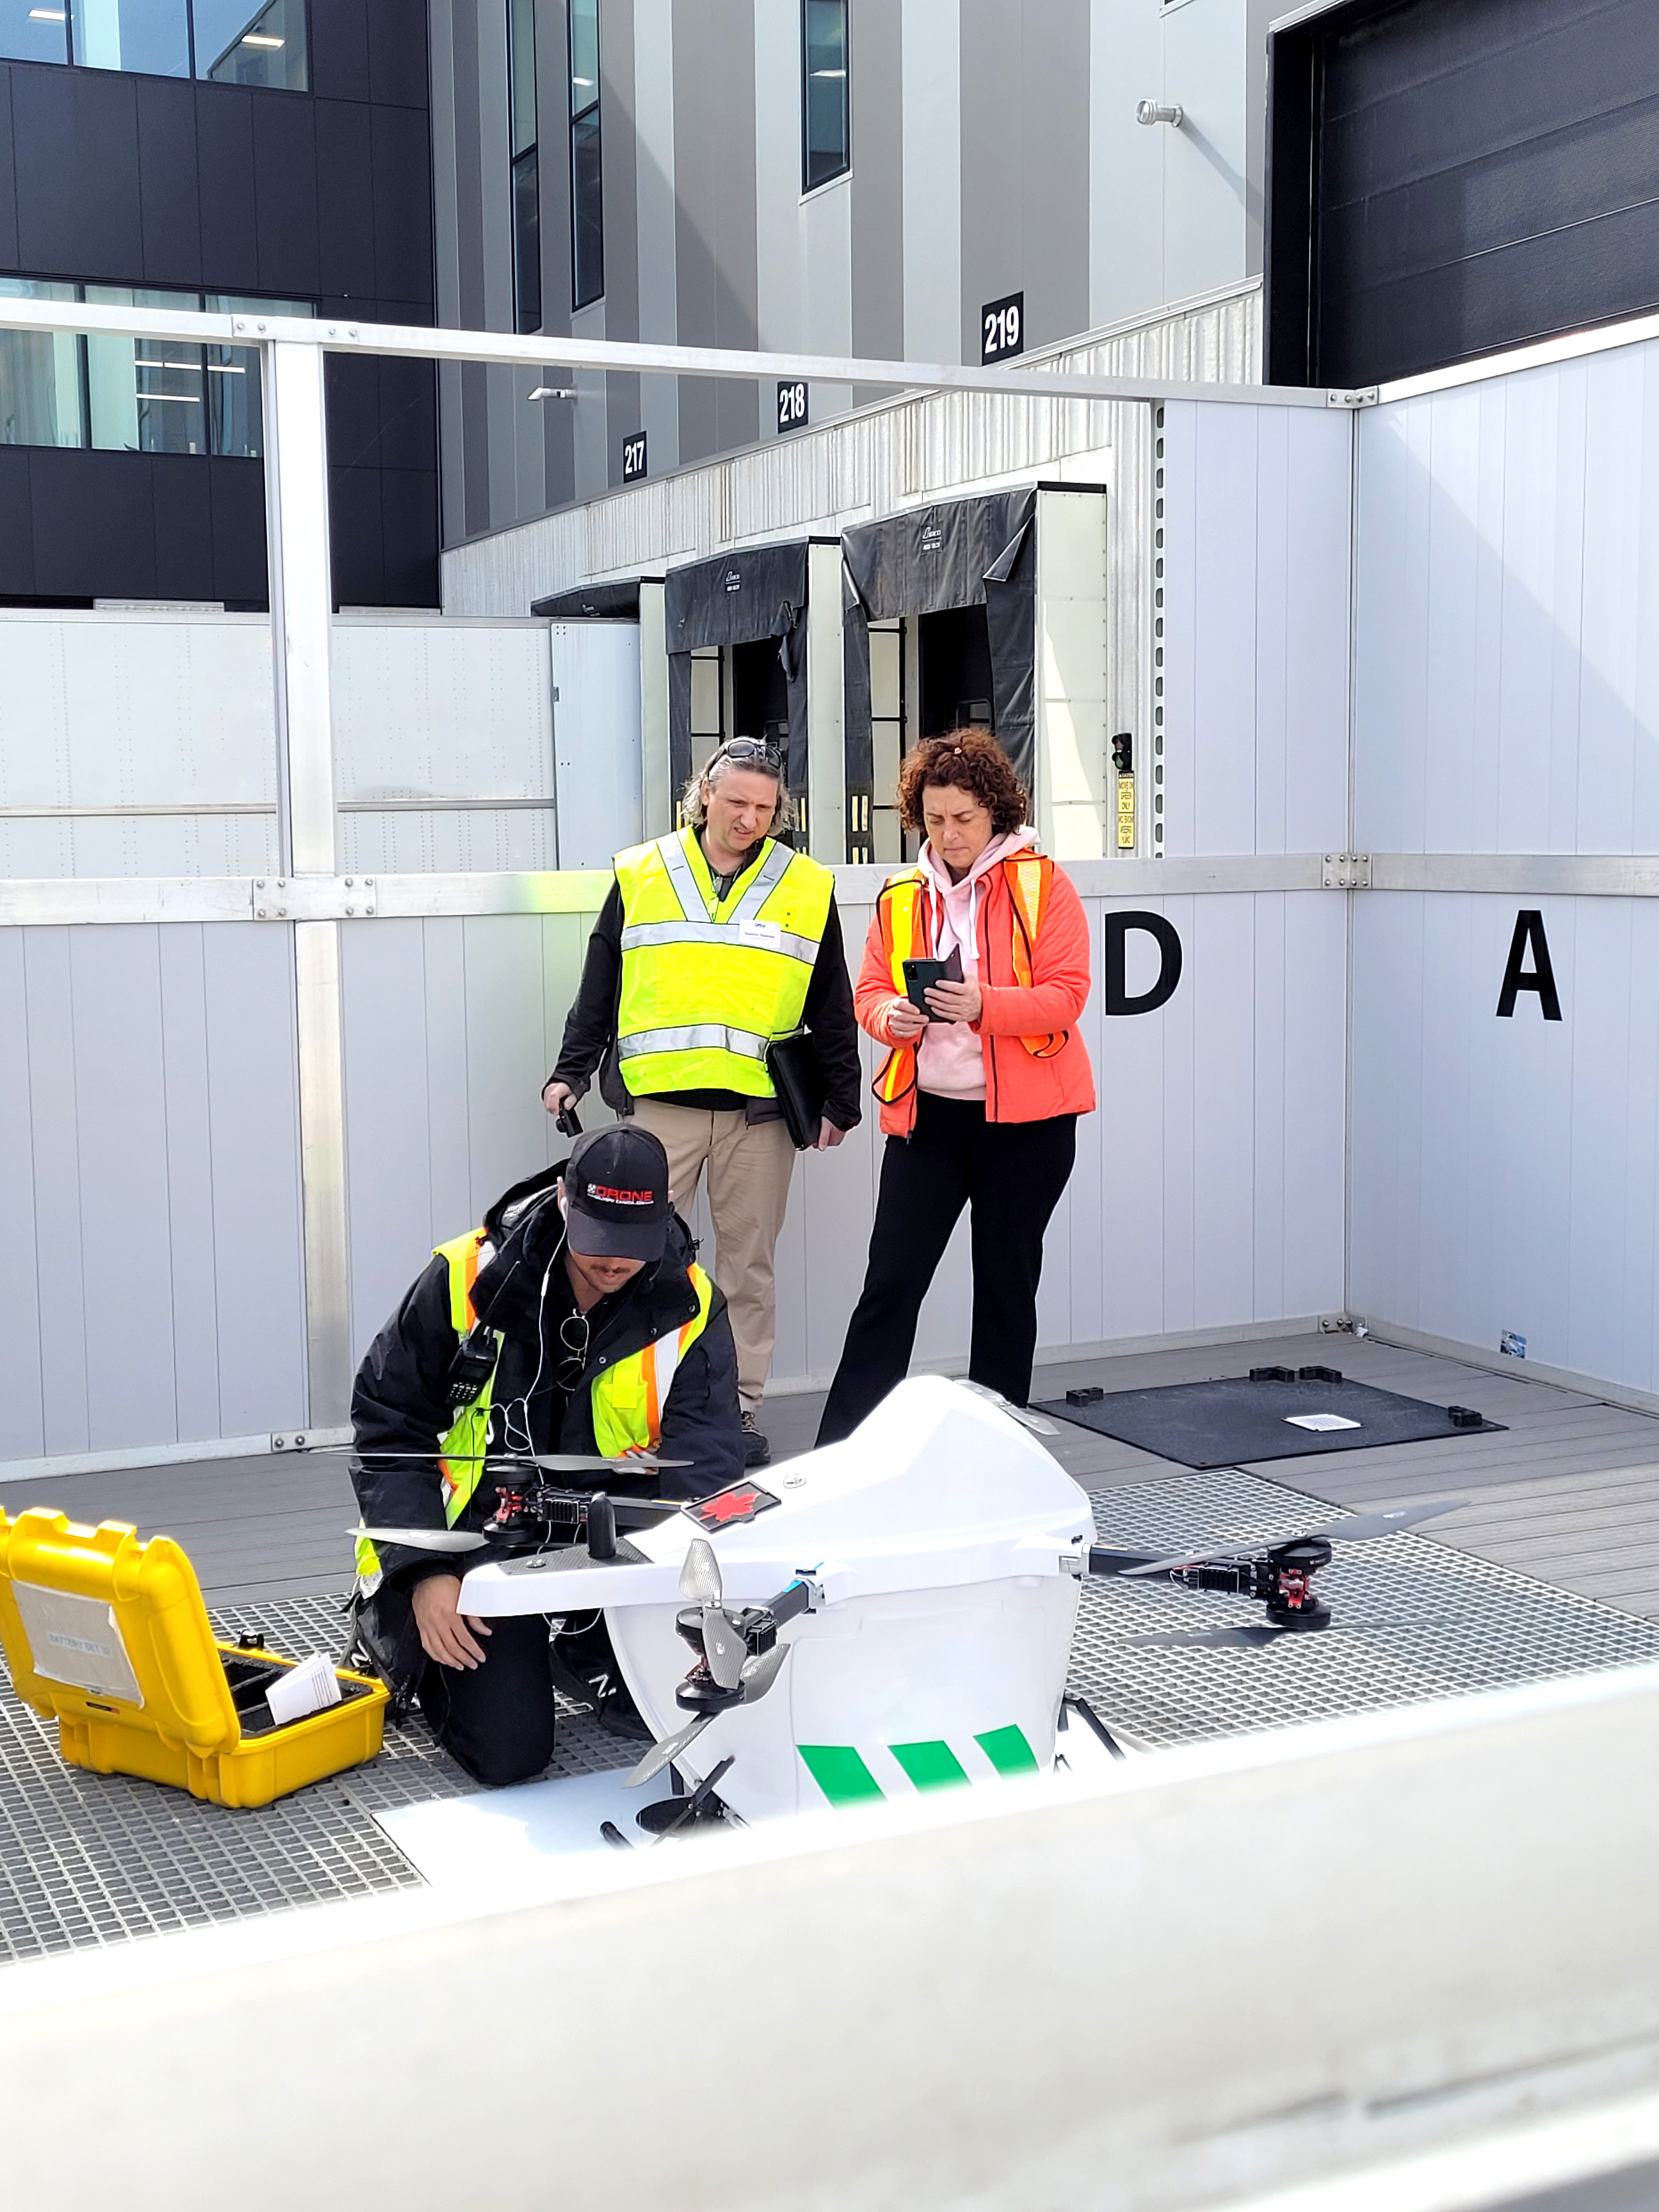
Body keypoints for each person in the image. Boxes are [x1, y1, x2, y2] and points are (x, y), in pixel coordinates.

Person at [348, 1124, 743, 1789]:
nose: (614, 1264)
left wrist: (688, 1597)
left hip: (613, 1546)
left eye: (632, 1245)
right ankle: (389, 1627)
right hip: (471, 1541)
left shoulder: (692, 1304)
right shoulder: (463, 1276)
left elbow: (706, 1467)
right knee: (510, 1754)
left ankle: (583, 1643)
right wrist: (422, 1575)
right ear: (564, 1200)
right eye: (597, 1242)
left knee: (671, 1706)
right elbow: (388, 1428)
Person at [543, 737, 862, 1468]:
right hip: (661, 1111)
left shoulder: (806, 885)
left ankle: (737, 1413)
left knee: (749, 1270)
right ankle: (627, 1408)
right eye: (737, 801)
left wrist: (841, 1098)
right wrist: (571, 1071)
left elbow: (830, 997)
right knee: (629, 1258)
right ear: (705, 796)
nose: (749, 818)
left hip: (761, 1113)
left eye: (765, 807)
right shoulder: (643, 871)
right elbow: (601, 984)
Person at [816, 731, 1096, 1445]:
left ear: (996, 811)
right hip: (927, 1122)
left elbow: (1067, 996)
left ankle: (996, 1459)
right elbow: (870, 993)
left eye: (964, 819)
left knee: (1005, 1292)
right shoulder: (902, 894)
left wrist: (984, 1006)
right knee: (889, 1289)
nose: (949, 834)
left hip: (1028, 1128)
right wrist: (893, 1018)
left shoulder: (1043, 884)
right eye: (935, 819)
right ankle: (841, 1454)